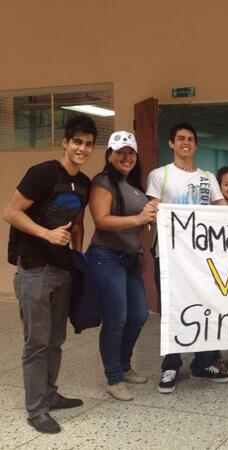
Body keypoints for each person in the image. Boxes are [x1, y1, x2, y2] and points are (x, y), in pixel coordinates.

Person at [3, 115, 96, 433]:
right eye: (77, 141)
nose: (82, 148)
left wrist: (77, 255)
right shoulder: (42, 173)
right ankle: (36, 409)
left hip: (63, 269)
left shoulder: (83, 183)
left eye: (88, 143)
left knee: (56, 339)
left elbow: (79, 222)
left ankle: (50, 394)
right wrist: (47, 234)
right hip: (34, 270)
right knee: (37, 343)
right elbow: (11, 212)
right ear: (65, 142)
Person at [146, 123, 228, 394]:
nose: (186, 143)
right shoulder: (160, 175)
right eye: (180, 139)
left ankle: (204, 363)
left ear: (196, 145)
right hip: (170, 257)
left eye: (191, 139)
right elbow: (150, 211)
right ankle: (171, 365)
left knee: (207, 306)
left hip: (202, 258)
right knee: (172, 310)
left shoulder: (207, 177)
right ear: (171, 143)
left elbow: (224, 212)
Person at [86, 131, 157, 401]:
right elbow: (102, 221)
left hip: (129, 258)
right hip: (106, 256)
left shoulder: (135, 187)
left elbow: (142, 225)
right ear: (110, 155)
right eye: (120, 152)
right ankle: (113, 377)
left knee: (139, 315)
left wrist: (140, 245)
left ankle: (125, 366)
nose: (126, 157)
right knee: (117, 318)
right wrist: (140, 217)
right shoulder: (103, 182)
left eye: (130, 152)